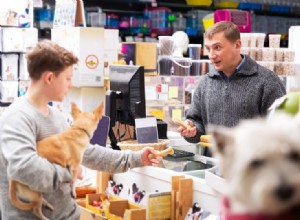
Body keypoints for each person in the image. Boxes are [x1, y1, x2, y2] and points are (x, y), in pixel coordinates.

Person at [0, 40, 161, 220]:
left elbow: (87, 152)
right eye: (68, 78)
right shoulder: (17, 118)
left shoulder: (56, 116)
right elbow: (24, 169)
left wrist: (136, 158)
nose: (71, 84)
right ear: (49, 78)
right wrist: (68, 173)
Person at [178, 21, 286, 155]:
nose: (211, 55)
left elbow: (283, 132)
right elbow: (197, 123)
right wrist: (191, 130)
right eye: (208, 48)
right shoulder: (205, 83)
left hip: (251, 170)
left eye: (217, 47)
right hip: (213, 168)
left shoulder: (267, 81)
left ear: (237, 45)